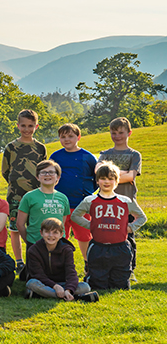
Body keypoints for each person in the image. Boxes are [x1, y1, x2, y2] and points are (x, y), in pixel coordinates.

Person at [71, 162, 147, 290]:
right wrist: (91, 225)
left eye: (111, 179)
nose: (107, 182)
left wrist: (131, 227)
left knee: (120, 284)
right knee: (97, 283)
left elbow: (142, 217)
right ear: (97, 181)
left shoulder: (125, 201)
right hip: (98, 247)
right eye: (103, 178)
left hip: (120, 247)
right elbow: (75, 216)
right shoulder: (90, 200)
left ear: (116, 181)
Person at [1, 108, 46, 274]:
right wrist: (17, 184)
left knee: (35, 227)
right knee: (15, 228)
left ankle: (36, 259)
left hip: (36, 195)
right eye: (23, 125)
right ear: (18, 125)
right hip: (15, 195)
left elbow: (43, 170)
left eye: (31, 126)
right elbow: (5, 171)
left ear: (36, 126)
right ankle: (19, 261)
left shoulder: (40, 148)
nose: (27, 129)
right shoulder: (11, 147)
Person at [98, 117, 143, 278]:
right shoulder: (105, 153)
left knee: (127, 237)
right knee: (106, 236)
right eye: (113, 133)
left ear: (129, 133)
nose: (117, 136)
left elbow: (130, 176)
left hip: (127, 201)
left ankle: (130, 270)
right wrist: (121, 174)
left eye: (121, 133)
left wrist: (108, 173)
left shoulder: (134, 155)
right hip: (106, 202)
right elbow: (98, 172)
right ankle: (107, 268)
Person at [49, 123, 97, 258]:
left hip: (81, 205)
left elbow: (96, 179)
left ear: (79, 137)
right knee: (59, 235)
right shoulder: (56, 157)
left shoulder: (87, 157)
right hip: (59, 205)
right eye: (63, 137)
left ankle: (89, 265)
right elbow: (49, 176)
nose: (67, 139)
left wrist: (87, 192)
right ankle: (59, 265)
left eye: (70, 136)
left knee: (84, 236)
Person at [24, 218, 98, 302]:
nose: (50, 235)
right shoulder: (34, 250)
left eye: (55, 232)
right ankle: (77, 297)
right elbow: (38, 275)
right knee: (31, 283)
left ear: (61, 235)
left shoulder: (66, 249)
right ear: (41, 233)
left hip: (63, 283)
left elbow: (71, 272)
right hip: (44, 283)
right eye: (47, 232)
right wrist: (55, 286)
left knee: (85, 286)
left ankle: (42, 294)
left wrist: (68, 289)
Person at [16, 159, 71, 254]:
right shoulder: (29, 197)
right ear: (37, 177)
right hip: (35, 243)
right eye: (43, 172)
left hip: (57, 244)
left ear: (58, 177)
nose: (47, 175)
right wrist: (29, 241)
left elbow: (62, 222)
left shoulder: (63, 198)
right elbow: (20, 224)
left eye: (51, 172)